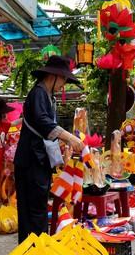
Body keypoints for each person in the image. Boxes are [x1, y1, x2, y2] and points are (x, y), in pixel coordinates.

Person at [14, 55, 84, 244]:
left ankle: (38, 248)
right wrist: (68, 137)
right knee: (33, 209)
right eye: (63, 79)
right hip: (31, 160)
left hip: (39, 159)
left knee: (38, 207)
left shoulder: (46, 95)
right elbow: (41, 121)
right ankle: (34, 250)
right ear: (53, 76)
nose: (64, 84)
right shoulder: (38, 93)